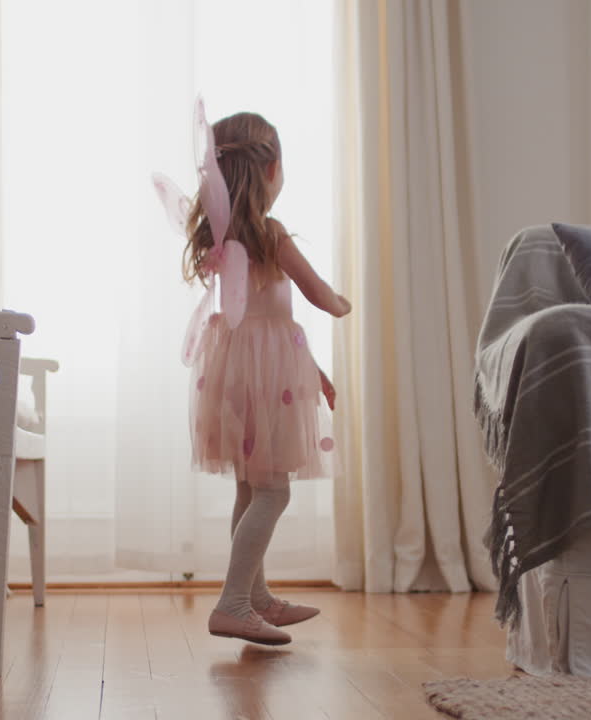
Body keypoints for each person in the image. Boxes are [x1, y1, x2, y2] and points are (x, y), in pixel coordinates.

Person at [183, 111, 351, 645]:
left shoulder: (225, 238)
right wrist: (346, 303)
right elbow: (320, 299)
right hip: (264, 382)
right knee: (273, 493)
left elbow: (264, 324)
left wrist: (315, 371)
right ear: (272, 169)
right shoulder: (272, 236)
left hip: (234, 379)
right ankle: (233, 603)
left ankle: (256, 598)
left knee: (249, 488)